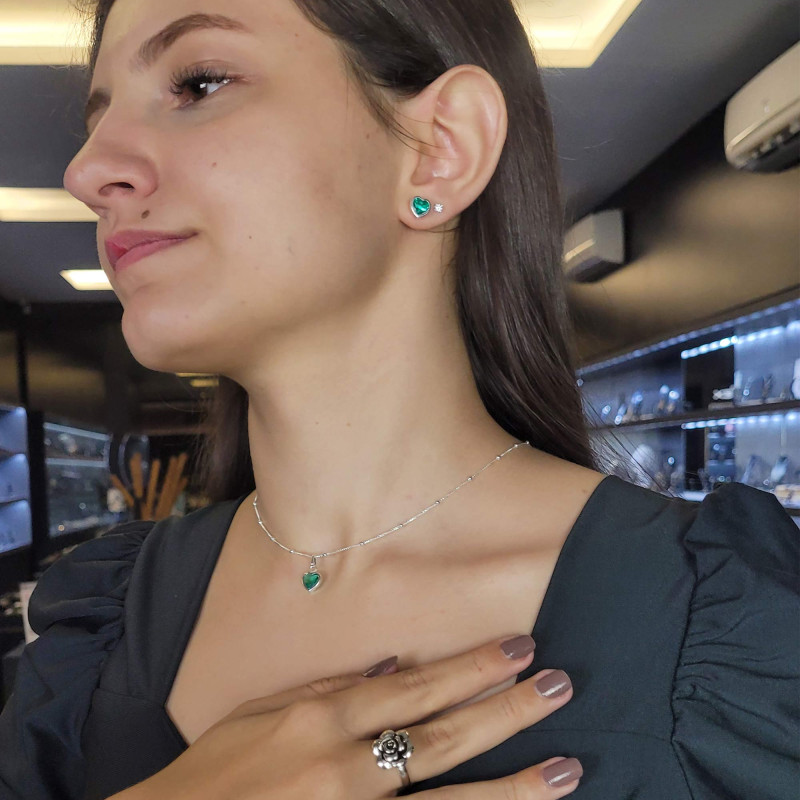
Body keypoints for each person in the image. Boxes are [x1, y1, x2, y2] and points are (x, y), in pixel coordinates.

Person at [1, 0, 798, 798]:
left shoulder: (734, 631)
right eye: (97, 119)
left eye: (199, 82)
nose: (84, 172)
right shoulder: (101, 622)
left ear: (440, 150)